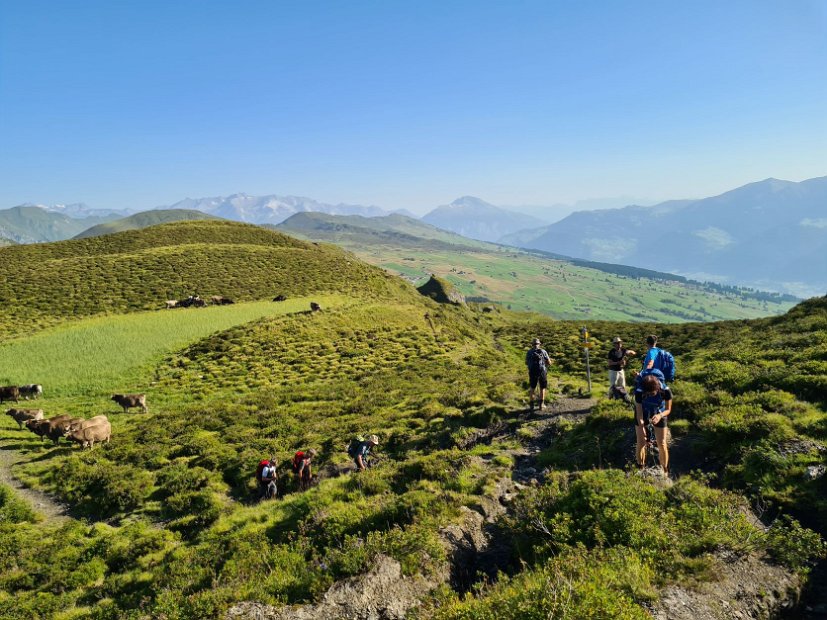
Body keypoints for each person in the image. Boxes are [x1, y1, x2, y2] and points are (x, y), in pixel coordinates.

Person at [634, 373, 672, 473]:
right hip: (644, 411)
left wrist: (659, 416)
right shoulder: (639, 392)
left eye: (653, 393)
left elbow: (668, 410)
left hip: (660, 411)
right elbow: (639, 413)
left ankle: (665, 470)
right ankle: (640, 468)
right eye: (648, 394)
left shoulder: (665, 390)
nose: (650, 395)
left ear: (657, 388)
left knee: (662, 443)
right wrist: (642, 428)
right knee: (641, 442)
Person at [525, 337, 552, 411]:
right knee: (542, 388)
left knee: (532, 388)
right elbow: (549, 363)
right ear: (539, 344)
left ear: (532, 345)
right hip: (542, 371)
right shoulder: (543, 351)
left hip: (532, 372)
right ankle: (541, 405)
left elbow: (526, 362)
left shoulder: (529, 352)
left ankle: (531, 406)